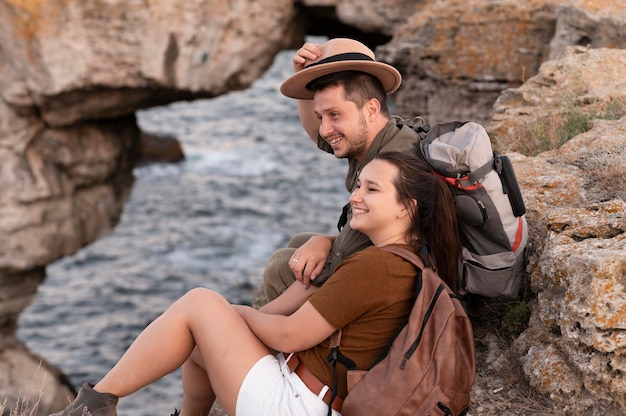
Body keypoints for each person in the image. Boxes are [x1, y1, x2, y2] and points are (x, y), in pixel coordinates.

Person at [48, 151, 459, 416]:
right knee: (196, 339)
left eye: (372, 188)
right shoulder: (409, 262)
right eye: (357, 185)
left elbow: (289, 334)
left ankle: (92, 407)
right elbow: (282, 326)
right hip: (307, 394)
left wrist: (230, 313)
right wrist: (290, 298)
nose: (356, 195)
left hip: (296, 406)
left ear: (407, 207)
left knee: (199, 303)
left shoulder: (377, 266)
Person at [260, 38, 424, 310]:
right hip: (387, 258)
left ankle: (277, 347)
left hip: (399, 289)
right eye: (320, 116)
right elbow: (321, 137)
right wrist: (302, 76)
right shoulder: (387, 134)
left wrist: (236, 324)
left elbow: (340, 259)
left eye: (334, 114)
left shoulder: (391, 162)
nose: (324, 129)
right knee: (301, 242)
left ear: (371, 109)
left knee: (283, 264)